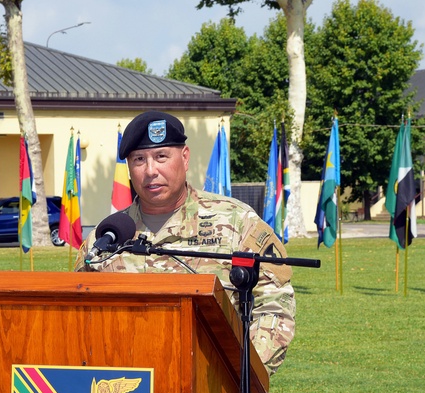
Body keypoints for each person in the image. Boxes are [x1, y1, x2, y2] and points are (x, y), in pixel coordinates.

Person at [75, 110, 296, 374]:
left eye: (161, 157)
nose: (150, 170)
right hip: (126, 389)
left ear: (185, 157)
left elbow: (274, 304)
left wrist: (241, 372)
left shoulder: (237, 222)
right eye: (138, 159)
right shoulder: (106, 238)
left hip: (214, 391)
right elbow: (77, 316)